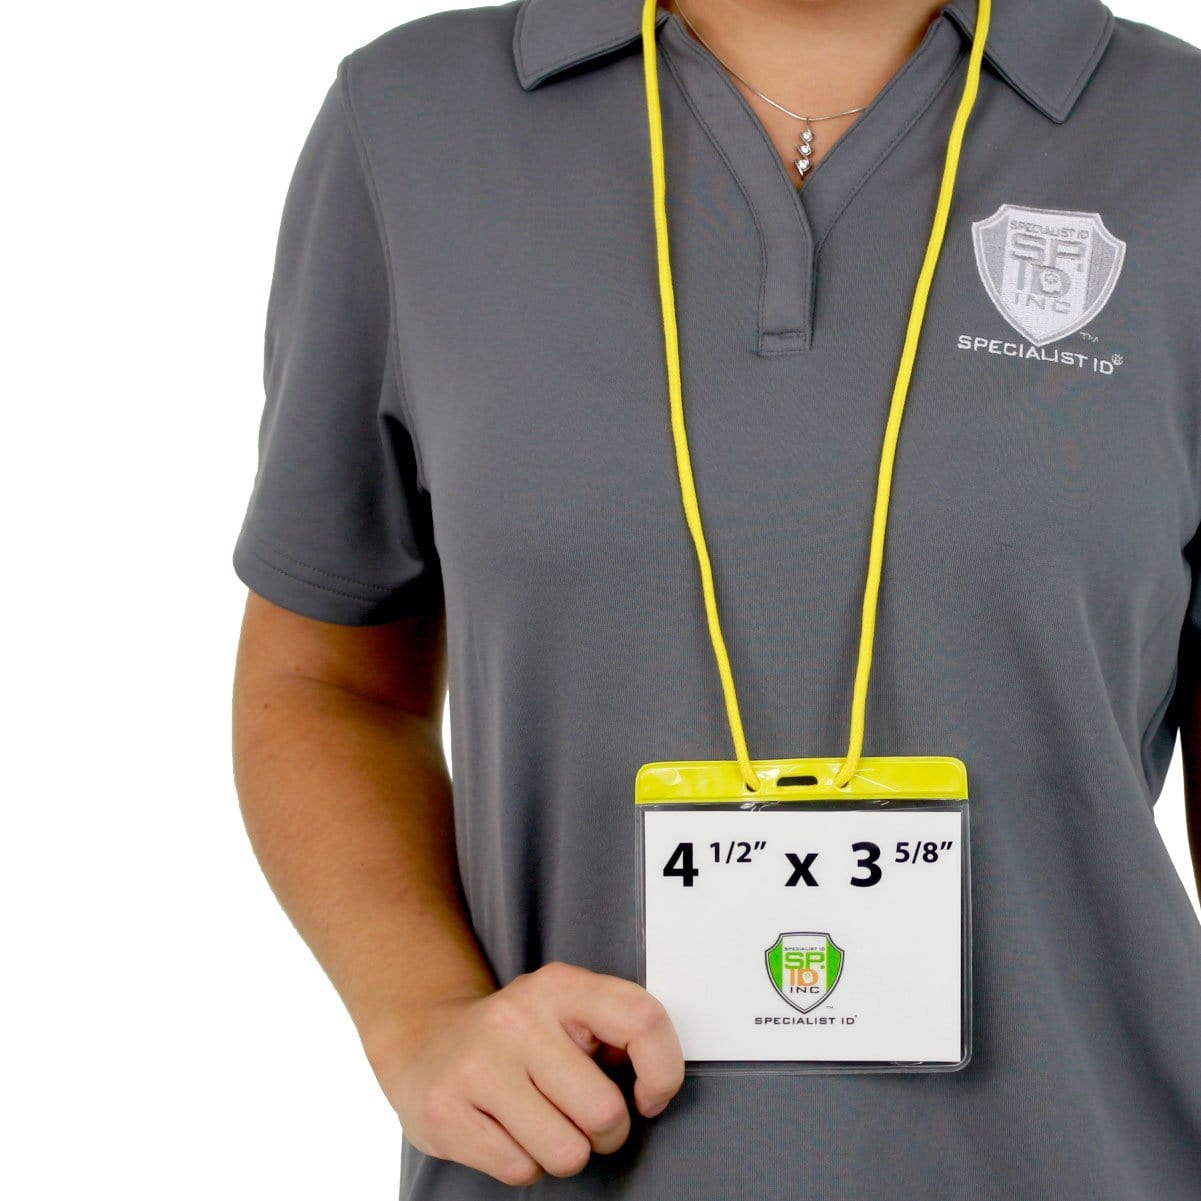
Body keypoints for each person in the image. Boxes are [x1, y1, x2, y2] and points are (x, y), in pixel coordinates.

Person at [229, 0, 1201, 1196]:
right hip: (564, 1165)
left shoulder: (1177, 142)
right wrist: (419, 1012)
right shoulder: (412, 126)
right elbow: (325, 682)